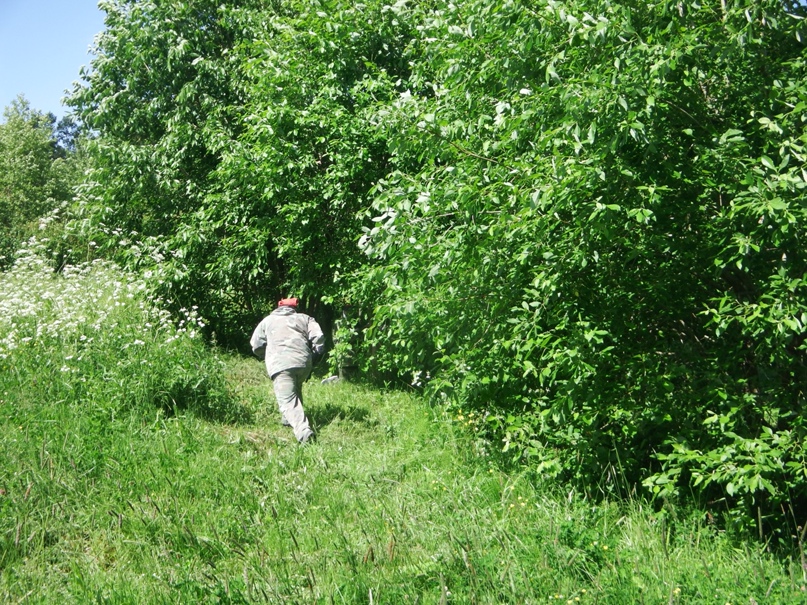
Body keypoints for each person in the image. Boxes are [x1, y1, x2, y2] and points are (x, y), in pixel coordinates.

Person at [250, 297, 325, 444]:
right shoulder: (305, 318)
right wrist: (315, 356)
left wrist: (265, 354)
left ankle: (304, 433)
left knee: (287, 399)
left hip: (280, 364)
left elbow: (256, 345)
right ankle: (287, 420)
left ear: (278, 308)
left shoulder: (267, 321)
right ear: (293, 309)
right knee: (295, 389)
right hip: (303, 363)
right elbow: (319, 338)